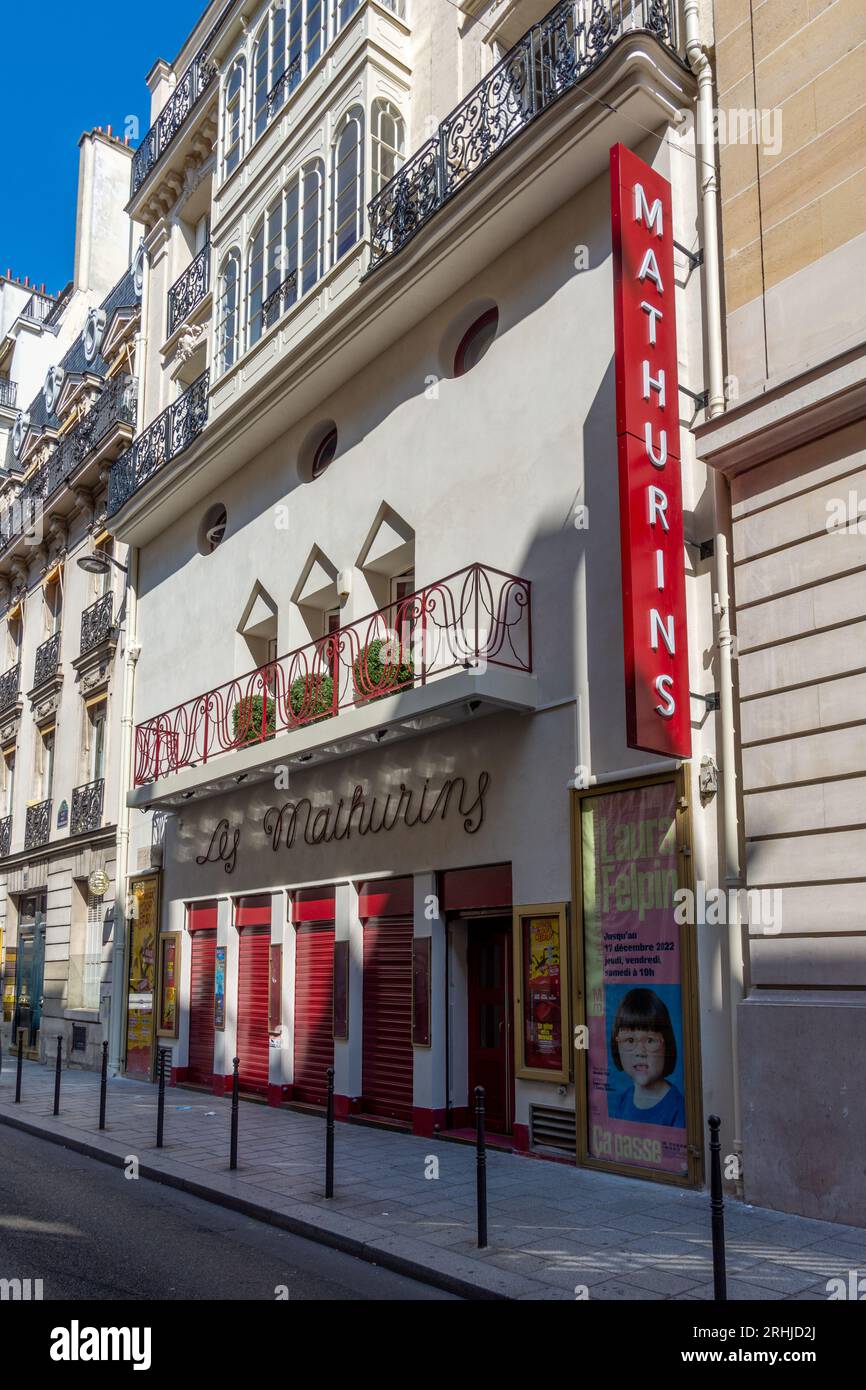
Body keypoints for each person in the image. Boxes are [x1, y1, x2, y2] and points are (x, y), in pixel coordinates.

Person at [608, 988, 685, 1127]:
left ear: (667, 1045)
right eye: (630, 1041)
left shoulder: (678, 1109)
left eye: (650, 1040)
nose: (640, 1052)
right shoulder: (623, 1101)